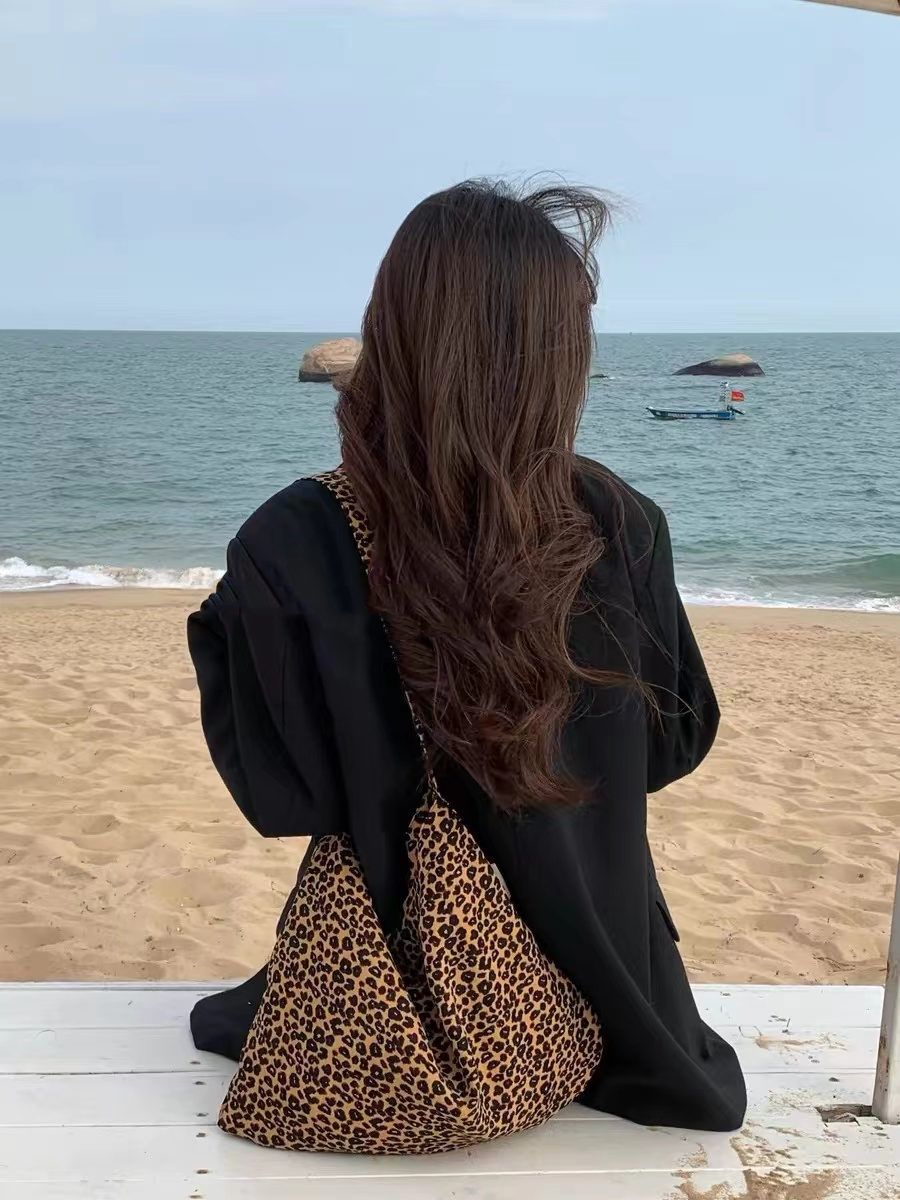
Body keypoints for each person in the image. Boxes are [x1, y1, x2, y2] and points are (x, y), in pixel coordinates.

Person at [187, 179, 747, 1149]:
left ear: (393, 328)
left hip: (393, 1000)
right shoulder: (619, 520)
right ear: (558, 354)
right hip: (626, 1004)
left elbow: (282, 796)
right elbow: (676, 743)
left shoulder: (294, 538)